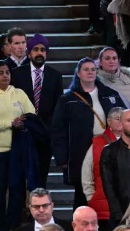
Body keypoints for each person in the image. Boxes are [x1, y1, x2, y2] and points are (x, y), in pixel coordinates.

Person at [52, 58, 125, 209]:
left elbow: (125, 118)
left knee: (111, 186)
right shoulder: (68, 99)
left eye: (93, 69)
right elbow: (58, 130)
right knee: (82, 192)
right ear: (78, 73)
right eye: (86, 69)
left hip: (108, 147)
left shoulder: (110, 94)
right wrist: (61, 158)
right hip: (81, 151)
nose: (90, 72)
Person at [0, 60, 37, 231]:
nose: (5, 76)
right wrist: (10, 123)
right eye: (1, 73)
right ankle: (1, 226)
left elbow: (31, 114)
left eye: (7, 72)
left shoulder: (19, 93)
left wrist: (22, 122)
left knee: (17, 189)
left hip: (17, 149)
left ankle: (14, 225)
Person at [12, 34, 64, 186]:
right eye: (35, 49)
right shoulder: (16, 74)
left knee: (41, 177)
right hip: (22, 132)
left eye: (43, 50)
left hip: (45, 134)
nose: (39, 53)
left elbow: (57, 107)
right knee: (20, 177)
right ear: (29, 53)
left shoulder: (55, 76)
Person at [82, 107, 124, 231]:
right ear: (109, 121)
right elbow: (86, 173)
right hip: (103, 207)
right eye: (118, 119)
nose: (121, 122)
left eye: (124, 119)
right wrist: (91, 197)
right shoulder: (98, 143)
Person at [97, 47, 130, 141]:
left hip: (128, 138)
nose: (111, 61)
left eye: (114, 58)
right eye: (107, 58)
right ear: (100, 62)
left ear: (118, 61)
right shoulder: (94, 83)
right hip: (103, 138)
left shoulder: (129, 83)